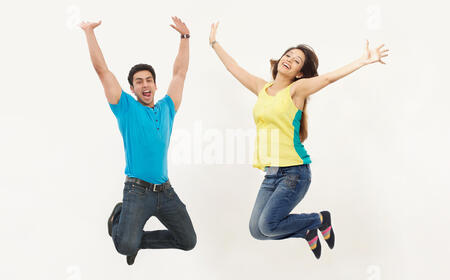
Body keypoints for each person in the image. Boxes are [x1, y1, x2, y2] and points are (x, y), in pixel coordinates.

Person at [209, 22, 389, 259]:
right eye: (288, 55)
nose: (289, 59)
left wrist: (362, 61)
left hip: (294, 173)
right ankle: (307, 230)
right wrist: (214, 43)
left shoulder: (297, 90)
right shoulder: (262, 88)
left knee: (268, 225)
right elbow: (234, 68)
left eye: (296, 61)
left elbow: (327, 79)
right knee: (257, 231)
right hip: (271, 174)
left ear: (300, 73)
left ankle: (320, 219)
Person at [80, 17, 196, 265]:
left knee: (188, 241)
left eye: (149, 80)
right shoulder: (126, 108)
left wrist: (185, 38)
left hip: (166, 192)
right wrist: (89, 32)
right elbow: (102, 70)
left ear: (155, 84)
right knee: (124, 247)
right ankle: (120, 222)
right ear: (132, 88)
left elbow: (180, 73)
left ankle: (135, 239)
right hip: (137, 191)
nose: (145, 84)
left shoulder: (167, 107)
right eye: (139, 82)